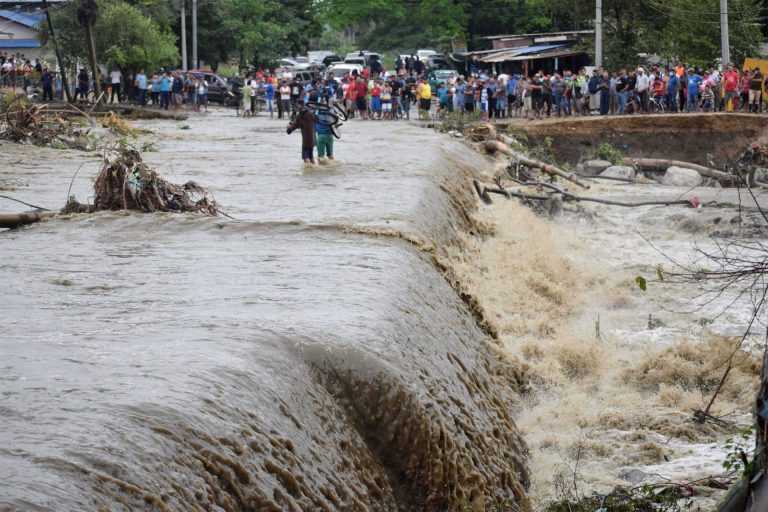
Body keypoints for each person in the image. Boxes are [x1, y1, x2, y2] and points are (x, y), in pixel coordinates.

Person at [287, 100, 316, 164]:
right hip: (312, 140)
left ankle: (308, 171)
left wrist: (289, 127)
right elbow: (316, 120)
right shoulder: (311, 113)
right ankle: (314, 170)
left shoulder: (299, 116)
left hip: (305, 141)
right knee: (311, 156)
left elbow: (293, 127)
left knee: (305, 157)